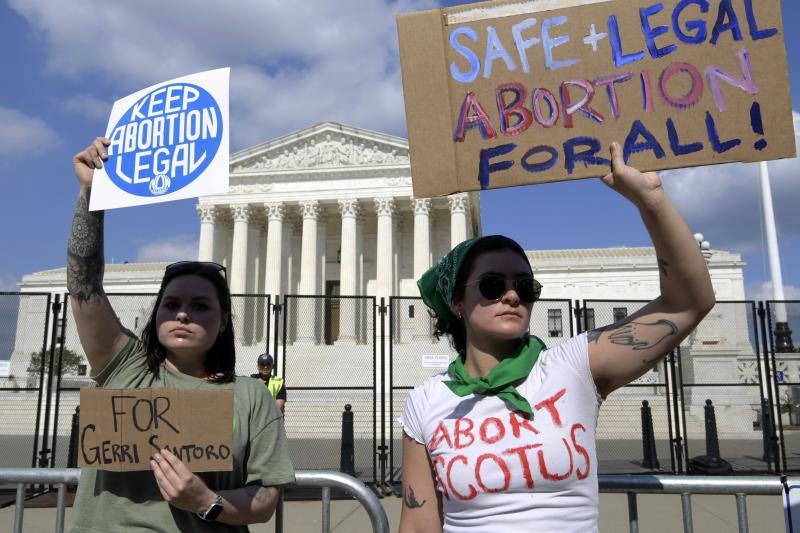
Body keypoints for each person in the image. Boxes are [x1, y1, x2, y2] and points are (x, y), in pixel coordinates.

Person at [398, 143, 715, 533]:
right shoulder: (427, 403)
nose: (512, 295)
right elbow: (418, 524)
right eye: (493, 284)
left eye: (525, 286)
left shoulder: (572, 368)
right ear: (457, 303)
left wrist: (651, 199)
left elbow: (688, 304)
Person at [67, 137, 295, 532]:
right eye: (171, 305)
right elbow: (84, 288)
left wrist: (206, 500)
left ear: (223, 321)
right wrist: (91, 195)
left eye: (200, 306)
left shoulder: (251, 395)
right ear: (157, 315)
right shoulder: (125, 369)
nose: (183, 314)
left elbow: (265, 499)